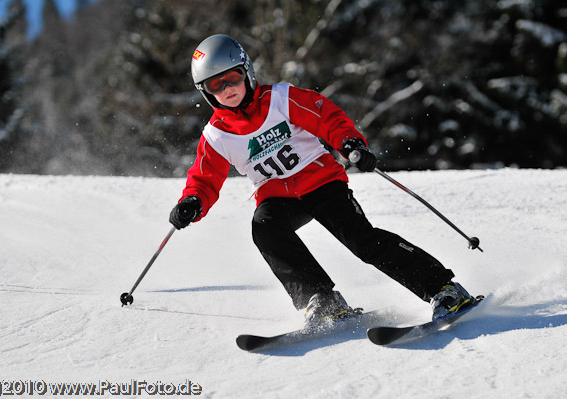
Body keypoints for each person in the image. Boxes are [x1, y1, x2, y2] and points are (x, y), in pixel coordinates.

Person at [170, 34, 474, 327]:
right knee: (264, 227)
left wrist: (350, 143)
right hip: (278, 196)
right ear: (206, 92)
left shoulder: (280, 99)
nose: (227, 88)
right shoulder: (217, 135)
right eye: (216, 84)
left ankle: (444, 289)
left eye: (233, 77)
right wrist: (192, 202)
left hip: (321, 181)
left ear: (247, 72)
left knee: (361, 240)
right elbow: (204, 178)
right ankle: (321, 298)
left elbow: (327, 117)